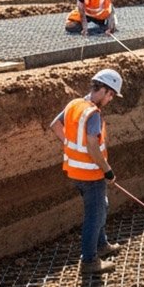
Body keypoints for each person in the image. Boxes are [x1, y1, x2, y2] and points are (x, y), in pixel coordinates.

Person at [49, 68, 125, 275]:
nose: (110, 99)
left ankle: (102, 245)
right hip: (91, 175)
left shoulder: (75, 104)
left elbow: (55, 125)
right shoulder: (92, 114)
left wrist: (72, 146)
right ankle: (89, 261)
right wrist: (108, 171)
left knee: (102, 207)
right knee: (94, 216)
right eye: (110, 95)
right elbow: (92, 146)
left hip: (75, 171)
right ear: (103, 90)